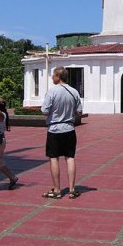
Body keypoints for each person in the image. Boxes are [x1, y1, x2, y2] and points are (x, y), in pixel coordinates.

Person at [41, 66, 82, 199]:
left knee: (54, 158)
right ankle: (71, 189)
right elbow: (79, 111)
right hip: (69, 129)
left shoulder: (52, 92)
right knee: (70, 157)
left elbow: (45, 111)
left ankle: (57, 190)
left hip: (54, 129)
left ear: (58, 77)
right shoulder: (74, 92)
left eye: (53, 76)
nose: (52, 78)